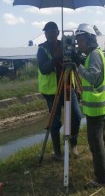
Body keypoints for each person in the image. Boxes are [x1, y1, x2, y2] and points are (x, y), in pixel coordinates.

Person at [36, 21, 82, 161]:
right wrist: (57, 56)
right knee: (55, 123)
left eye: (52, 30)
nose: (49, 33)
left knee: (77, 116)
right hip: (52, 92)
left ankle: (73, 143)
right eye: (46, 31)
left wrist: (75, 52)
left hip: (68, 87)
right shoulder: (42, 49)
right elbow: (44, 69)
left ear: (57, 32)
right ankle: (57, 153)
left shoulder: (66, 44)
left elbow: (77, 62)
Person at [75, 23, 105, 188]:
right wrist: (82, 62)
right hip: (97, 107)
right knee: (102, 141)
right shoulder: (93, 55)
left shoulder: (94, 55)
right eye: (78, 40)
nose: (78, 44)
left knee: (96, 144)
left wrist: (78, 66)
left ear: (89, 40)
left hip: (95, 108)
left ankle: (101, 179)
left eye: (81, 40)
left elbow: (94, 79)